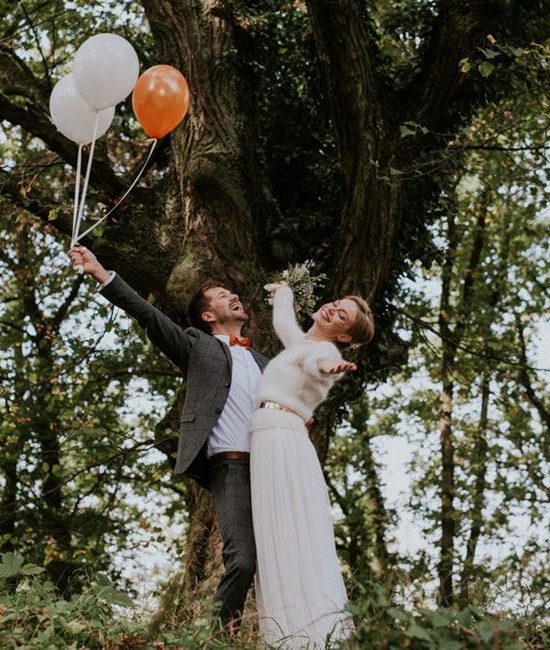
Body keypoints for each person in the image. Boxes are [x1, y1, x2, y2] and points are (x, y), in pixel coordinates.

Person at [68, 246, 267, 633]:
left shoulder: (264, 362)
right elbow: (149, 316)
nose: (235, 295)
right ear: (208, 315)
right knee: (242, 559)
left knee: (280, 557)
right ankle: (218, 639)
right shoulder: (197, 346)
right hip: (232, 468)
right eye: (224, 294)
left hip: (273, 468)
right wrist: (100, 273)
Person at [252, 281, 374, 648]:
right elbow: (285, 324)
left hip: (280, 434)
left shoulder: (321, 349)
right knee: (272, 523)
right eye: (335, 303)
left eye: (341, 315)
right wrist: (284, 291)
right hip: (268, 432)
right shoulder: (302, 341)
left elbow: (317, 363)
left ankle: (304, 636)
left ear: (345, 337)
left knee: (284, 524)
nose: (331, 310)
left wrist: (330, 365)